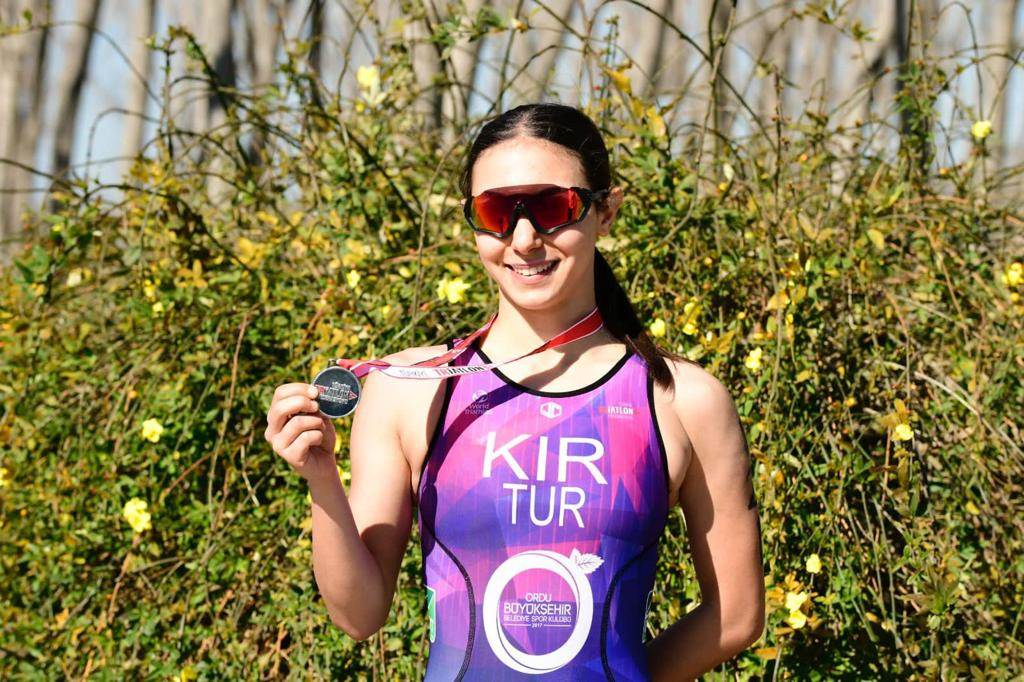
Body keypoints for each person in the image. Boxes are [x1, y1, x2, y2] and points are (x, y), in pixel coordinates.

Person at [264, 102, 765, 681]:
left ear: (606, 211)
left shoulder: (683, 400)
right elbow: (358, 615)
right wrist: (322, 481)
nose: (524, 238)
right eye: (496, 212)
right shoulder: (410, 391)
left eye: (553, 207)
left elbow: (736, 616)